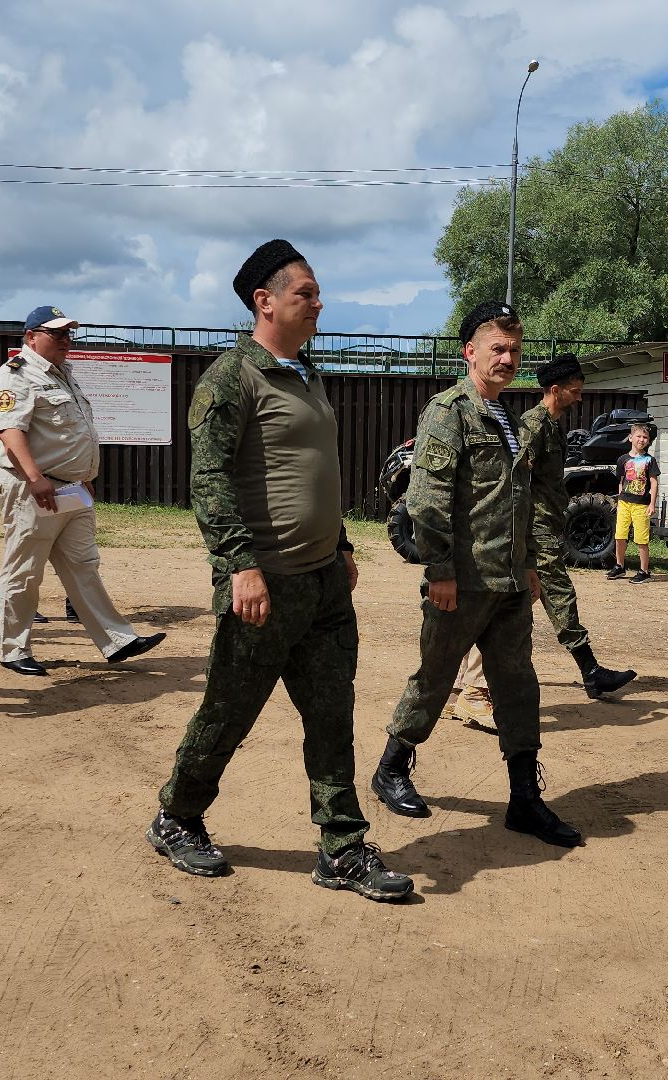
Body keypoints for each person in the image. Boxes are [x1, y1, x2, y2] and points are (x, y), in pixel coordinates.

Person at [149, 239, 412, 903]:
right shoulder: (230, 378)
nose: (319, 304)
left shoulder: (306, 373)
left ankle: (342, 849)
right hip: (263, 586)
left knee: (331, 716)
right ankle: (176, 816)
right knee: (227, 714)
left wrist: (344, 542)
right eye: (307, 294)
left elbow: (312, 474)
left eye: (317, 294)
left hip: (323, 582)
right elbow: (208, 477)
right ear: (265, 302)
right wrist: (240, 564)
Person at [370, 300, 583, 849]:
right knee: (436, 676)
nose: (509, 357)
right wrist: (438, 569)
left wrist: (531, 566)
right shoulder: (450, 411)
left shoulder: (509, 419)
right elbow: (427, 499)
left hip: (509, 582)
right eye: (498, 347)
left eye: (515, 348)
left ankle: (524, 800)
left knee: (517, 686)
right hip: (461, 583)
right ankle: (392, 767)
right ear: (470, 352)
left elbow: (518, 499)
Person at [446, 354, 637, 728]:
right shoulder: (533, 425)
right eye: (576, 391)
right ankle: (589, 671)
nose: (579, 398)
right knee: (546, 596)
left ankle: (462, 680)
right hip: (533, 529)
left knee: (501, 605)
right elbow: (513, 476)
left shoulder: (551, 424)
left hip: (544, 524)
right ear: (556, 390)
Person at [0, 305, 165, 676]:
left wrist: (82, 474)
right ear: (31, 337)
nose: (66, 340)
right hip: (34, 490)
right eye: (57, 333)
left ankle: (116, 640)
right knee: (24, 571)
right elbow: (9, 432)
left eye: (69, 333)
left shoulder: (62, 374)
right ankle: (14, 649)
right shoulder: (14, 376)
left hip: (71, 490)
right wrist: (35, 478)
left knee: (84, 565)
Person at [607, 423, 660, 583]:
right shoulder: (623, 459)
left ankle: (644, 571)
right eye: (639, 436)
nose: (642, 440)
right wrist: (619, 499)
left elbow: (654, 482)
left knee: (641, 538)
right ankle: (619, 566)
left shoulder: (650, 460)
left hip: (641, 505)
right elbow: (621, 481)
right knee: (620, 535)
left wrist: (652, 504)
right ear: (631, 438)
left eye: (645, 437)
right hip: (624, 503)